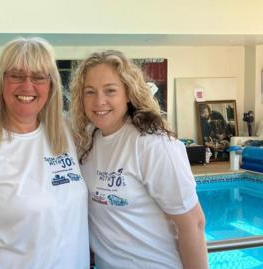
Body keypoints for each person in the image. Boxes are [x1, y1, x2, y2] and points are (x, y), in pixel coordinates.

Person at [0, 37, 89, 269]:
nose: (27, 86)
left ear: (51, 85)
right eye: (16, 75)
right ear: (0, 82)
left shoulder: (63, 133)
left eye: (39, 77)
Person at [70, 50, 208, 269]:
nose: (99, 101)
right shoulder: (88, 142)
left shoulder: (152, 144)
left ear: (128, 93)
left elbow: (193, 223)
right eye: (90, 92)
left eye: (110, 90)